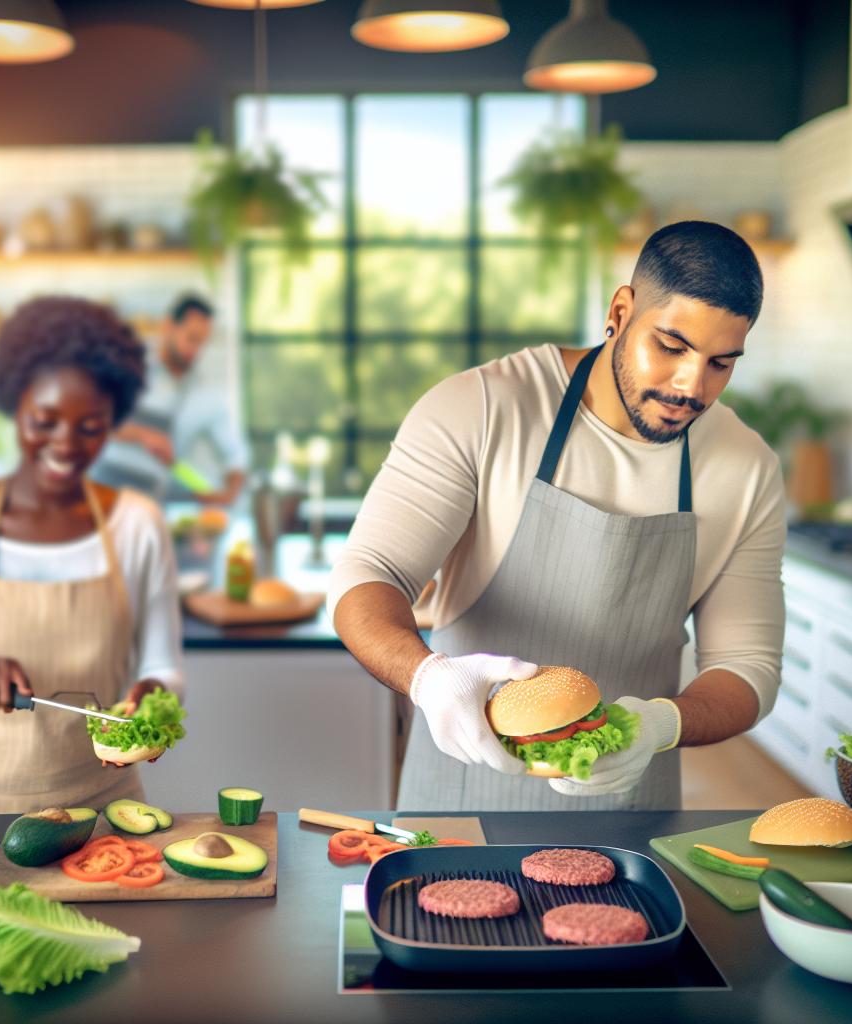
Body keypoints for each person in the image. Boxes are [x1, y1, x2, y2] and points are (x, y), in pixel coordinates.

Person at [328, 221, 787, 811]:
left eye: (721, 363)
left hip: (631, 807)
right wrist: (428, 677)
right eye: (671, 347)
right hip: (462, 796)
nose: (690, 386)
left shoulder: (746, 468)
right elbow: (368, 574)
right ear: (619, 312)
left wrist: (659, 726)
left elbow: (747, 668)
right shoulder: (484, 407)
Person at [0, 296, 184, 814]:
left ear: (113, 422)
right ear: (14, 406)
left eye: (90, 426)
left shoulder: (137, 524)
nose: (66, 444)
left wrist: (151, 697)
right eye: (43, 421)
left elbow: (164, 665)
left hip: (101, 815)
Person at [90, 294, 249, 506]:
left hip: (148, 505)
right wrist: (143, 435)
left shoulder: (205, 395)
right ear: (168, 327)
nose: (196, 350)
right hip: (99, 494)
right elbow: (91, 420)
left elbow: (236, 454)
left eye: (202, 343)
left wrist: (229, 494)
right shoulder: (127, 366)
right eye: (191, 338)